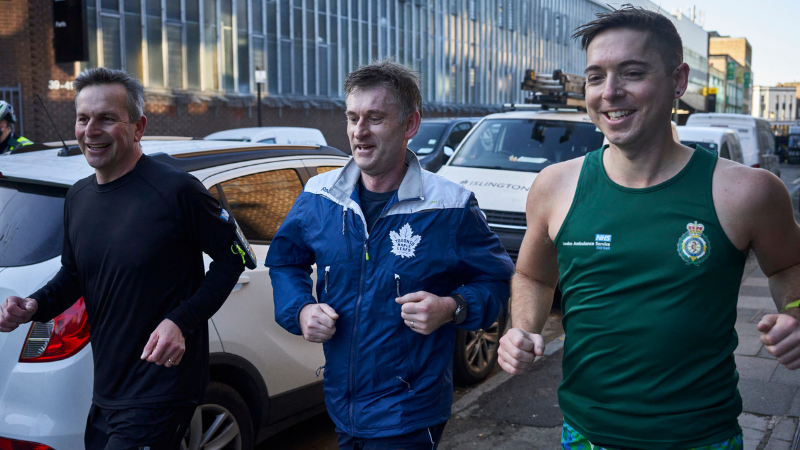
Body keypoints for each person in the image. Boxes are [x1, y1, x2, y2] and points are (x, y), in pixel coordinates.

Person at [498, 6, 800, 450]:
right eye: (596, 76)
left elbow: (788, 267)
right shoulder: (554, 186)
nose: (609, 93)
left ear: (678, 80)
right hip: (584, 435)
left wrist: (795, 312)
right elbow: (533, 275)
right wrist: (522, 328)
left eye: (632, 73)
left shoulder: (749, 192)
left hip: (702, 438)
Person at [266, 60, 514, 450]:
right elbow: (284, 260)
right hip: (341, 405)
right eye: (352, 117)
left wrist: (451, 306)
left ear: (410, 125)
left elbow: (497, 281)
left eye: (375, 118)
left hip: (409, 413)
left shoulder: (450, 206)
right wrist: (299, 309)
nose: (358, 132)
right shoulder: (320, 195)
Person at [0, 68, 245, 449]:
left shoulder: (176, 190)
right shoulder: (78, 198)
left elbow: (233, 259)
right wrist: (34, 305)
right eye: (84, 118)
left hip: (161, 385)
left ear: (138, 127)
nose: (91, 130)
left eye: (107, 118)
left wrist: (181, 321)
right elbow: (74, 274)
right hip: (107, 389)